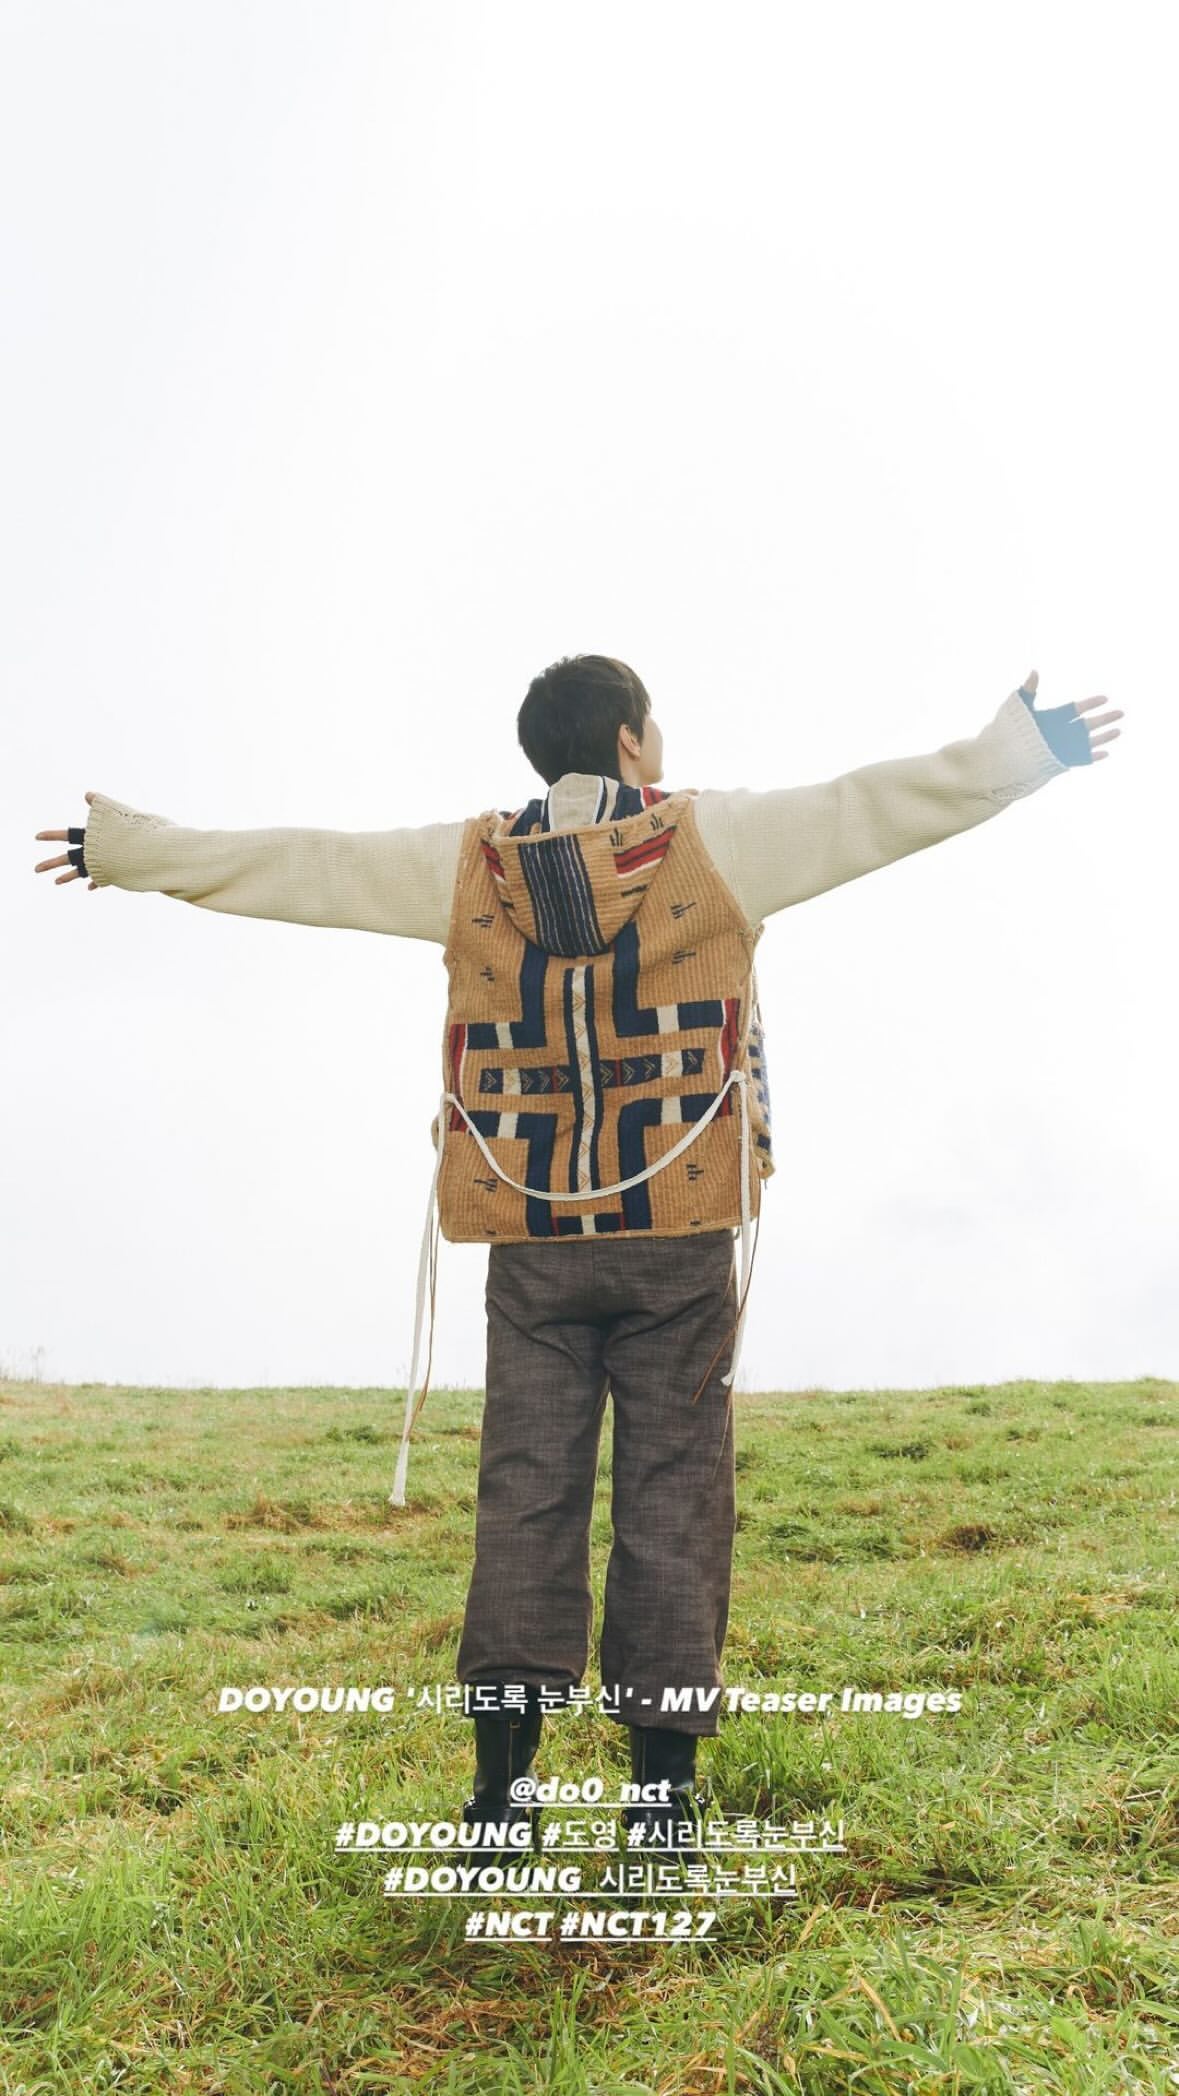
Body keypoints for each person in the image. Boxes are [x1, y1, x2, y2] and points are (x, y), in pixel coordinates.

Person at [35, 658, 1123, 1881]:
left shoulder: (467, 865)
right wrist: (1020, 750)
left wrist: (129, 850)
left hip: (533, 1224)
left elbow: (304, 864)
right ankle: (661, 1805)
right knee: (674, 1492)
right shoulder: (717, 841)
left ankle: (501, 1801)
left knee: (527, 1493)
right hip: (677, 1222)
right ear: (630, 740)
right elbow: (877, 805)